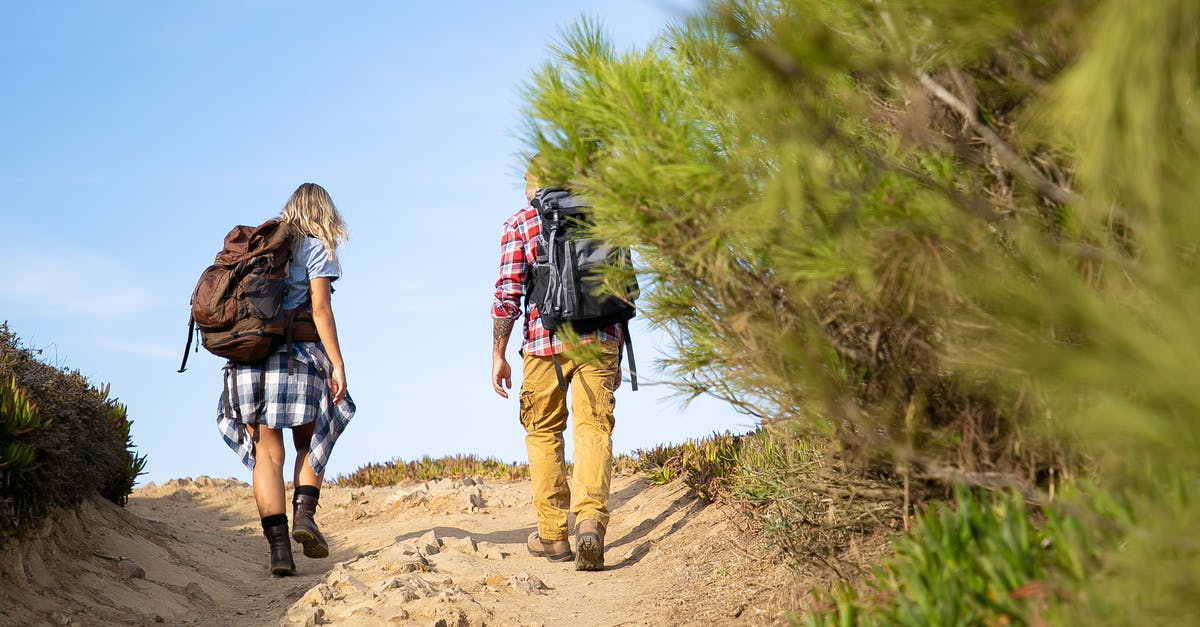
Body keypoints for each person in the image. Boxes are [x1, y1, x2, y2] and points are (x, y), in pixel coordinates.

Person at [216, 182, 355, 576]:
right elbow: (321, 309)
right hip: (297, 359)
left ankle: (279, 551)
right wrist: (338, 363)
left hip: (248, 360)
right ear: (325, 215)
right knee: (309, 440)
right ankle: (305, 516)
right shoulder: (316, 247)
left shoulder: (261, 249)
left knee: (266, 455)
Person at [491, 158, 622, 572]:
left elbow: (507, 295)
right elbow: (621, 287)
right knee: (593, 427)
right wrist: (615, 348)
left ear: (534, 184)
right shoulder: (606, 219)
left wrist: (498, 353)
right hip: (600, 337)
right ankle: (589, 526)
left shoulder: (521, 222)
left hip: (542, 342)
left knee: (543, 430)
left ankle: (552, 535)